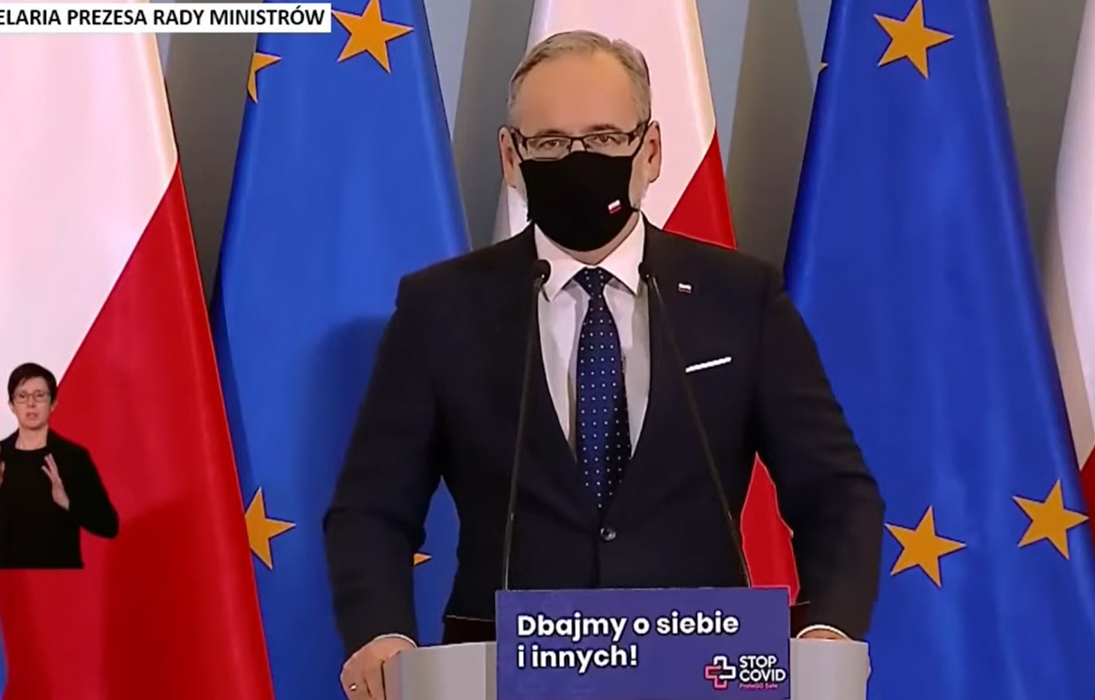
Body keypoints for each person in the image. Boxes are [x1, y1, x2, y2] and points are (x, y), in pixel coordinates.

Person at [325, 30, 885, 699]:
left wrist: (826, 629)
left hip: (703, 668)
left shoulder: (740, 298)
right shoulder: (440, 308)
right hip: (504, 674)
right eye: (550, 143)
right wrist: (381, 632)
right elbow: (371, 507)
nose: (578, 160)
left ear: (650, 151)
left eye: (604, 138)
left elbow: (835, 492)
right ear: (511, 157)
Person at [0, 363, 118, 568]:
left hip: (60, 578)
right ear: (11, 405)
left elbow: (109, 525)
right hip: (9, 581)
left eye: (39, 396)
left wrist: (67, 502)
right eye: (22, 396)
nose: (31, 404)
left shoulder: (73, 457)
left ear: (53, 403)